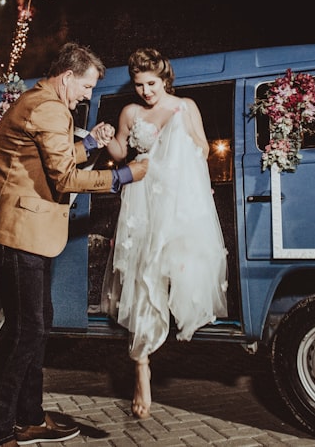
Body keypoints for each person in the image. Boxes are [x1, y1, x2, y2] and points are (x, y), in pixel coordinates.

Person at [0, 42, 149, 447]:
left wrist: (89, 144)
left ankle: (30, 418)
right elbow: (65, 179)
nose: (88, 96)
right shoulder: (51, 107)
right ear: (68, 76)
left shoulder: (41, 101)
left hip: (27, 233)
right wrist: (126, 176)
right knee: (26, 332)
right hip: (17, 234)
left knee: (37, 326)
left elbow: (46, 159)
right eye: (87, 87)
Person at [100, 47, 229, 420]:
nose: (145, 92)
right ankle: (141, 369)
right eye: (139, 85)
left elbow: (203, 147)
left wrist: (175, 153)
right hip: (141, 203)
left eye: (151, 83)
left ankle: (177, 325)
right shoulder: (130, 112)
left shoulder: (184, 107)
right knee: (142, 281)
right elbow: (121, 152)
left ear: (165, 79)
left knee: (180, 270)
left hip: (177, 202)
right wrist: (107, 136)